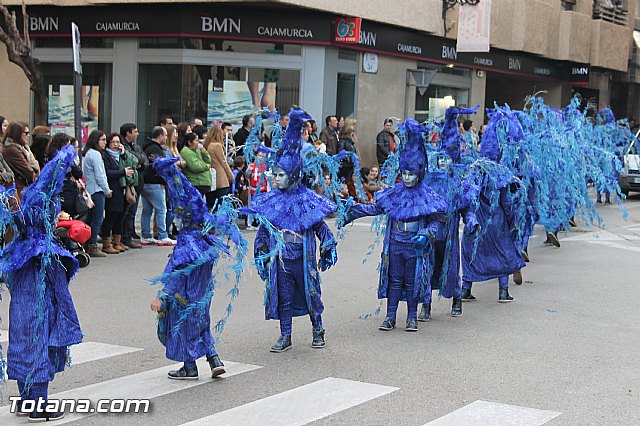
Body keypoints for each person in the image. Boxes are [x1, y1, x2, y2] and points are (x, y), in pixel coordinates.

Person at [2, 145, 84, 421]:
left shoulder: (22, 246)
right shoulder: (41, 252)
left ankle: (28, 400)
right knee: (41, 339)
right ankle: (38, 404)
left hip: (24, 292)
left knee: (24, 339)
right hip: (39, 292)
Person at [340, 119, 446, 332]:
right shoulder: (394, 193)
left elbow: (436, 223)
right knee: (395, 280)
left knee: (413, 281)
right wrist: (351, 212)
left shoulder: (428, 197)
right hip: (396, 243)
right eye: (404, 173)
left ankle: (412, 316)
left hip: (415, 245)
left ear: (420, 173)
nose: (407, 178)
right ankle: (390, 316)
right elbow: (376, 209)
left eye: (411, 174)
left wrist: (426, 235)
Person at [247, 108, 338, 352]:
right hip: (281, 258)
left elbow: (320, 227)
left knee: (311, 294)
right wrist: (262, 250)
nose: (276, 178)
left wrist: (328, 245)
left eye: (281, 175)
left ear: (294, 174)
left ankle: (317, 329)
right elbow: (265, 230)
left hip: (303, 258)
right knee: (283, 296)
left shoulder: (307, 201)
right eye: (274, 174)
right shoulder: (273, 201)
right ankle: (285, 335)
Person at [149, 155, 245, 380]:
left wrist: (162, 296)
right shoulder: (205, 240)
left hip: (184, 296)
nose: (175, 217)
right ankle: (214, 359)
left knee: (182, 327)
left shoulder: (187, 244)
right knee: (201, 324)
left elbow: (178, 273)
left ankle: (190, 367)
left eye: (177, 214)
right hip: (202, 294)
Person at [100, 133, 135, 255]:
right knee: (111, 216)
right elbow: (107, 173)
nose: (116, 145)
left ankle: (117, 242)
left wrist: (124, 154)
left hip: (123, 190)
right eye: (113, 142)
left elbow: (133, 162)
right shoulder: (105, 156)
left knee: (120, 216)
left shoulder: (121, 156)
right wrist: (122, 172)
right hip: (112, 189)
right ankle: (106, 243)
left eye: (118, 142)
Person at [141, 126, 176, 246]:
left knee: (147, 210)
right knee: (161, 209)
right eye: (165, 135)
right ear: (160, 136)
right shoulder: (156, 149)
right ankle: (162, 235)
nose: (166, 138)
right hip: (155, 183)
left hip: (145, 182)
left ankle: (145, 235)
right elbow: (160, 168)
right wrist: (163, 180)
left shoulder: (146, 147)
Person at [82, 130, 111, 257]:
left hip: (90, 189)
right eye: (103, 140)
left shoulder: (88, 153)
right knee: (97, 219)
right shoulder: (95, 154)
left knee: (90, 219)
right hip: (97, 190)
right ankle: (92, 245)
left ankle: (86, 242)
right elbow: (100, 175)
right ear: (96, 140)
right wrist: (107, 190)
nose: (105, 143)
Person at [120, 123, 148, 249]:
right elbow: (130, 159)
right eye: (135, 131)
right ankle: (124, 237)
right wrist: (136, 160)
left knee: (132, 212)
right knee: (126, 212)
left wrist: (139, 162)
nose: (137, 134)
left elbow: (145, 159)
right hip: (127, 183)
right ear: (128, 133)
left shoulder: (136, 146)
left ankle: (128, 236)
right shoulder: (122, 146)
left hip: (137, 183)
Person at [47, 133, 83, 220]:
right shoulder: (63, 158)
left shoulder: (51, 156)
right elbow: (78, 173)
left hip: (60, 193)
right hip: (65, 193)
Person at [1, 122, 38, 200]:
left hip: (23, 189)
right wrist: (34, 173)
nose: (28, 136)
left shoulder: (24, 148)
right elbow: (29, 173)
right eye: (26, 133)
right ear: (17, 134)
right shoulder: (11, 149)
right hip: (18, 190)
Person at [205, 125, 235, 210]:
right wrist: (231, 175)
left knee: (212, 203)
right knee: (221, 204)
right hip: (221, 178)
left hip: (213, 178)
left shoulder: (208, 145)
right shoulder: (217, 146)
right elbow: (223, 162)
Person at [180, 133, 212, 200]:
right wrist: (206, 166)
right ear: (189, 142)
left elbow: (209, 161)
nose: (198, 143)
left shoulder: (197, 150)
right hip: (196, 183)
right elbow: (195, 167)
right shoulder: (186, 151)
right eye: (196, 141)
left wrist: (205, 153)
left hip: (204, 182)